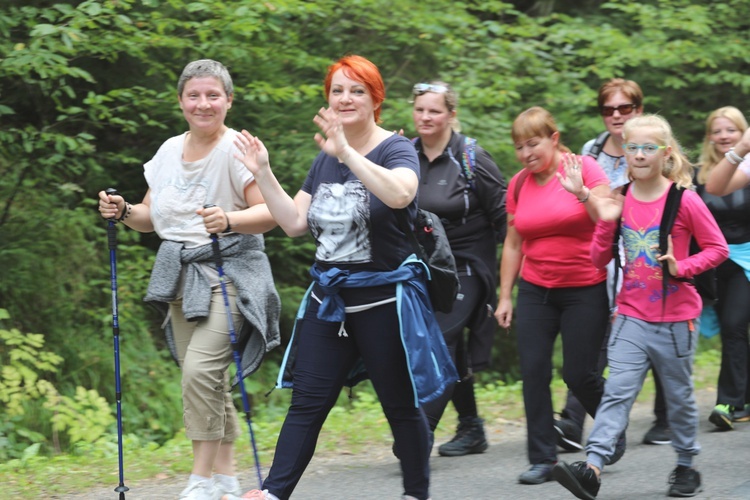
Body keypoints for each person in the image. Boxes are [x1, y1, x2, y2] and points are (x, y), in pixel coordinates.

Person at [224, 55, 457, 500]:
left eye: (357, 90)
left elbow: (401, 193)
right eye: (337, 90)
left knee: (401, 407)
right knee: (307, 403)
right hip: (330, 301)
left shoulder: (395, 148)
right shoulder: (323, 159)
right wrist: (264, 172)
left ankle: (415, 493)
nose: (345, 98)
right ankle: (274, 493)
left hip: (385, 302)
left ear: (375, 99)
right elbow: (293, 222)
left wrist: (348, 153)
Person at [97, 59, 281, 500]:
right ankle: (227, 479)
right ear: (181, 101)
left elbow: (270, 214)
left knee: (200, 371)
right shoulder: (167, 151)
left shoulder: (238, 149)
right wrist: (123, 211)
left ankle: (199, 482)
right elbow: (150, 218)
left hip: (231, 270)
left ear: (229, 101)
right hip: (180, 275)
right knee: (205, 378)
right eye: (194, 95)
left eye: (213, 95)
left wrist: (230, 218)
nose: (203, 104)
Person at [553, 114, 728, 499]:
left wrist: (684, 266)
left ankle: (686, 466)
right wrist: (602, 219)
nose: (640, 154)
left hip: (676, 321)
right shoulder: (618, 196)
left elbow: (718, 249)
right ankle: (592, 468)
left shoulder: (685, 200)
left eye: (649, 148)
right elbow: (598, 260)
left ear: (664, 154)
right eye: (633, 147)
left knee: (680, 399)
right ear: (625, 151)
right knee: (617, 392)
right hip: (630, 316)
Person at [494, 106, 611, 485]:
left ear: (554, 139)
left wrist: (581, 194)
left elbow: (607, 217)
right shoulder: (517, 185)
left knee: (579, 374)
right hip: (536, 290)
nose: (527, 153)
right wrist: (506, 296)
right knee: (533, 372)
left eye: (534, 143)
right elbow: (513, 243)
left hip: (584, 287)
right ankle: (542, 458)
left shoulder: (585, 169)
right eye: (519, 147)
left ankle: (612, 429)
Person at [555, 78, 671, 451]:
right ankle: (572, 421)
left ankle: (668, 416)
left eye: (625, 108)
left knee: (652, 331)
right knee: (597, 336)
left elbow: (670, 200)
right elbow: (585, 206)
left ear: (638, 109)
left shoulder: (653, 147)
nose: (617, 116)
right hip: (602, 252)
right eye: (609, 109)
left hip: (647, 254)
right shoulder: (590, 151)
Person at [410, 81, 507, 457]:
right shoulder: (404, 153)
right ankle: (471, 427)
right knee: (452, 345)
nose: (425, 117)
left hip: (468, 265)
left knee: (441, 336)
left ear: (451, 114)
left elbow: (505, 220)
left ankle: (420, 431)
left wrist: (507, 278)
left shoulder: (471, 158)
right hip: (422, 266)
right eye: (420, 110)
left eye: (434, 110)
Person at [696, 106, 750, 430]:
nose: (724, 136)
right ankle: (741, 397)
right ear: (709, 136)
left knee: (733, 326)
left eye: (731, 129)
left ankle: (728, 402)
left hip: (747, 258)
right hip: (713, 262)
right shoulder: (699, 174)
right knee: (732, 331)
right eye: (718, 131)